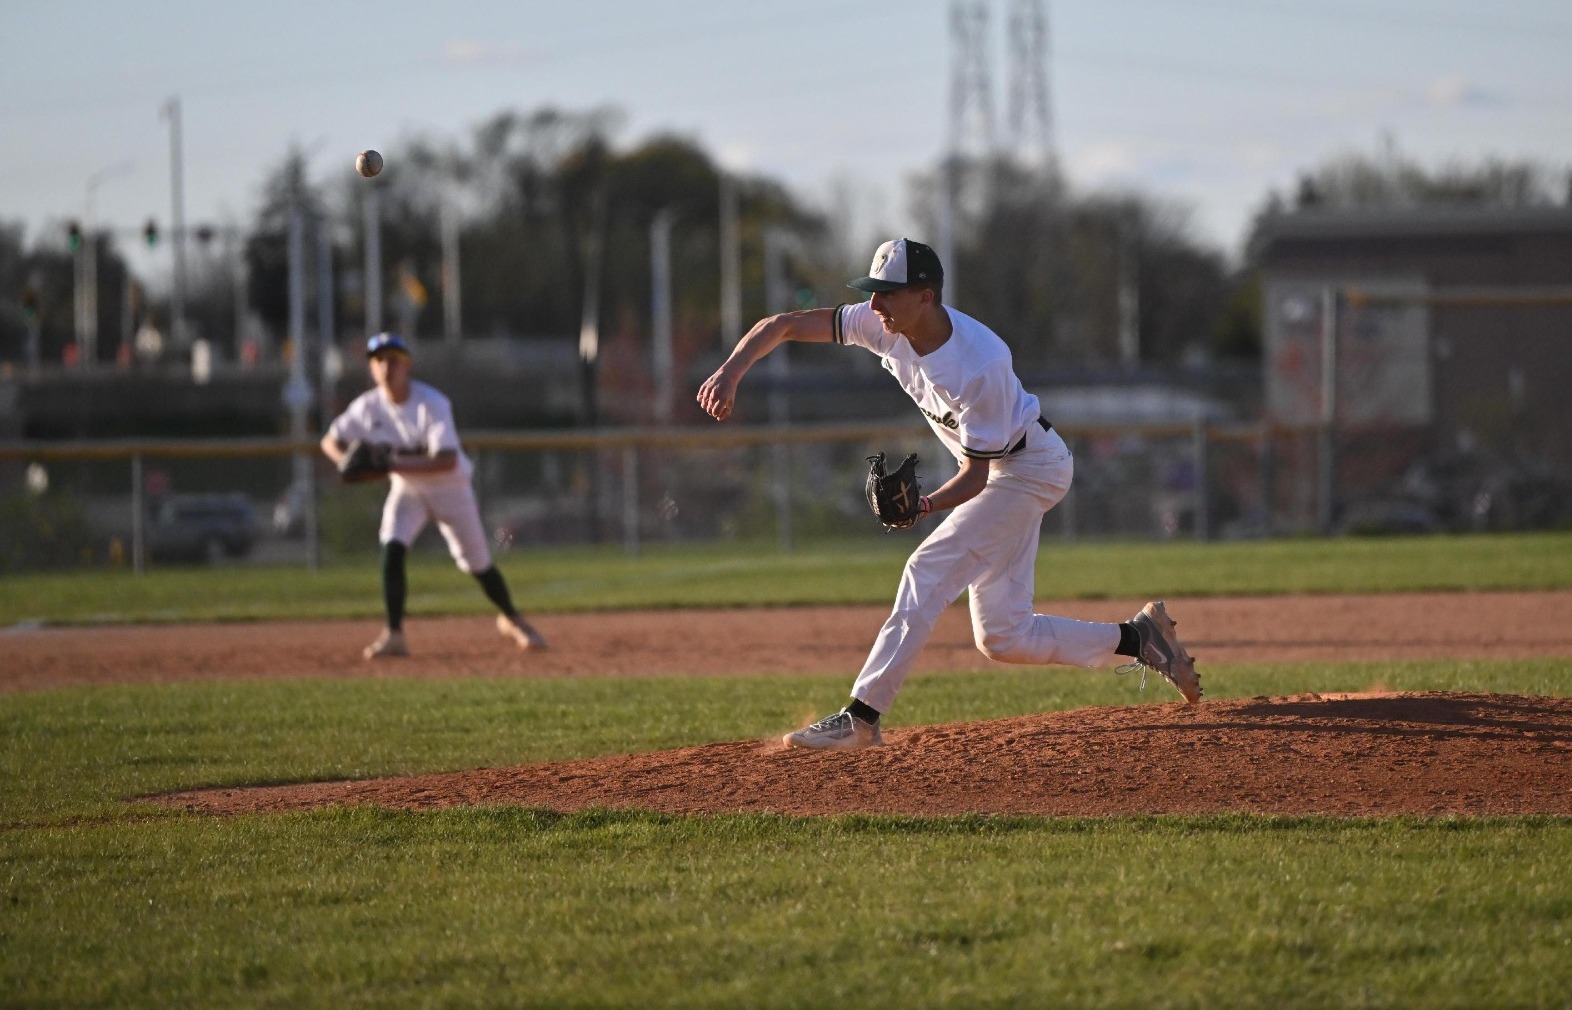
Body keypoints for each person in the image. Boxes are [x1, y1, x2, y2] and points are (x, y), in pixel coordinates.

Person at [697, 238, 1200, 750]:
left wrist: (923, 505)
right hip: (1003, 467)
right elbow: (783, 324)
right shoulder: (880, 323)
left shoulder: (977, 365)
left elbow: (977, 479)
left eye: (887, 294)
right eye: (872, 292)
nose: (873, 305)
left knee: (927, 568)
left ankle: (862, 717)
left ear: (925, 296)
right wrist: (731, 370)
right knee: (1002, 636)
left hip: (1029, 468)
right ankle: (1139, 639)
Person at [320, 332, 548, 660]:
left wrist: (391, 463)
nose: (386, 366)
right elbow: (330, 440)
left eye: (393, 360)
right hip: (408, 489)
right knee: (393, 547)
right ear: (371, 368)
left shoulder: (432, 403)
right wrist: (344, 460)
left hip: (450, 488)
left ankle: (513, 618)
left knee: (477, 563)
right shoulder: (367, 407)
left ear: (406, 366)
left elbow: (447, 459)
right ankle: (394, 634)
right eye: (379, 360)